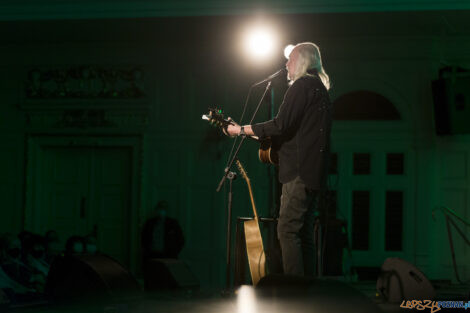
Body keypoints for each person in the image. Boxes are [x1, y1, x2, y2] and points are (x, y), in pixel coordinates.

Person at [226, 42, 332, 276]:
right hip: (314, 172)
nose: (286, 65)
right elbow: (295, 131)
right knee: (303, 233)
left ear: (302, 62)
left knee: (287, 230)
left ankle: (295, 293)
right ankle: (308, 292)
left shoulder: (301, 86)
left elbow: (281, 124)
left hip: (299, 171)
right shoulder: (319, 89)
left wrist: (241, 130)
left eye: (290, 60)